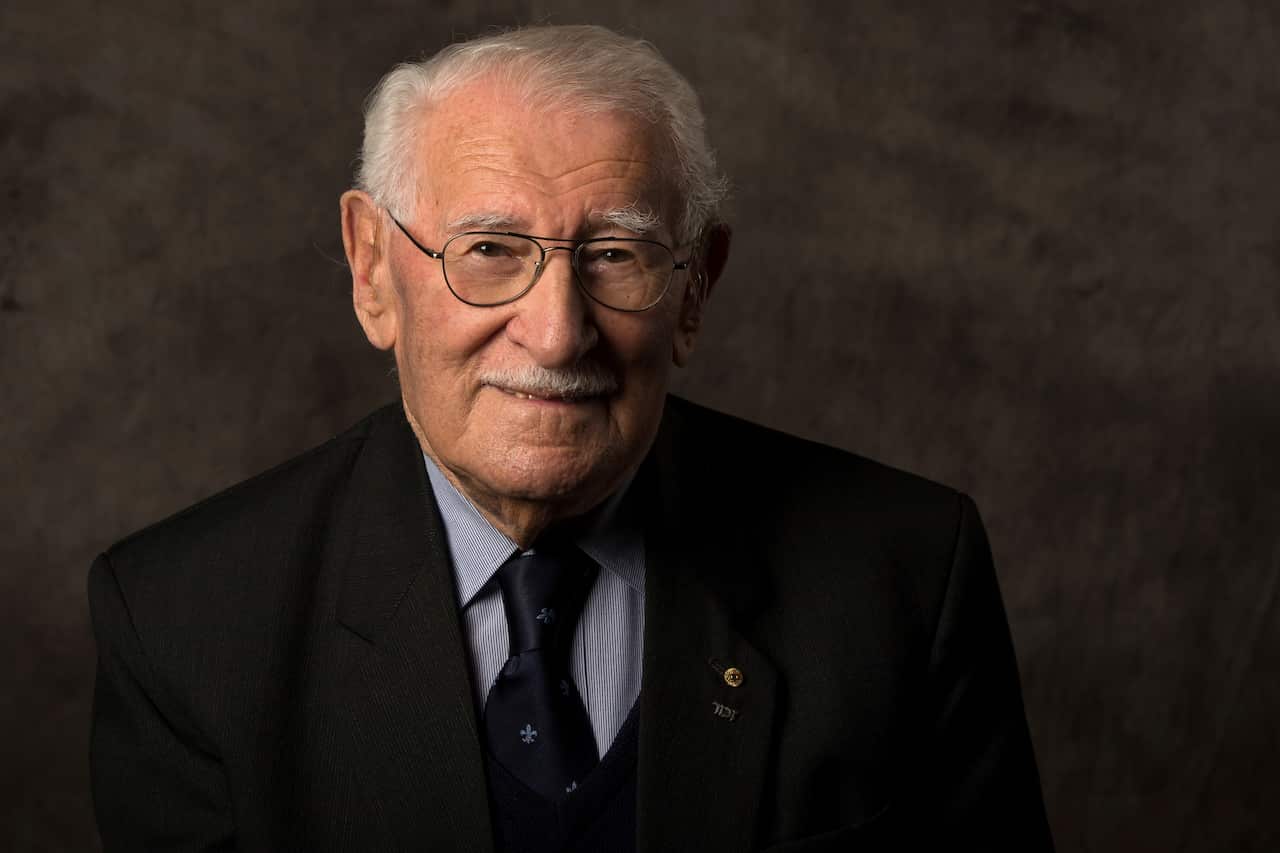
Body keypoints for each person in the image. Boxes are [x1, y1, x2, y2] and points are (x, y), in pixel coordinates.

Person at [88, 24, 1053, 852]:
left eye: (616, 255)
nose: (557, 332)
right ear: (373, 270)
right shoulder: (184, 621)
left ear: (696, 288)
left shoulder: (906, 576)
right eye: (491, 251)